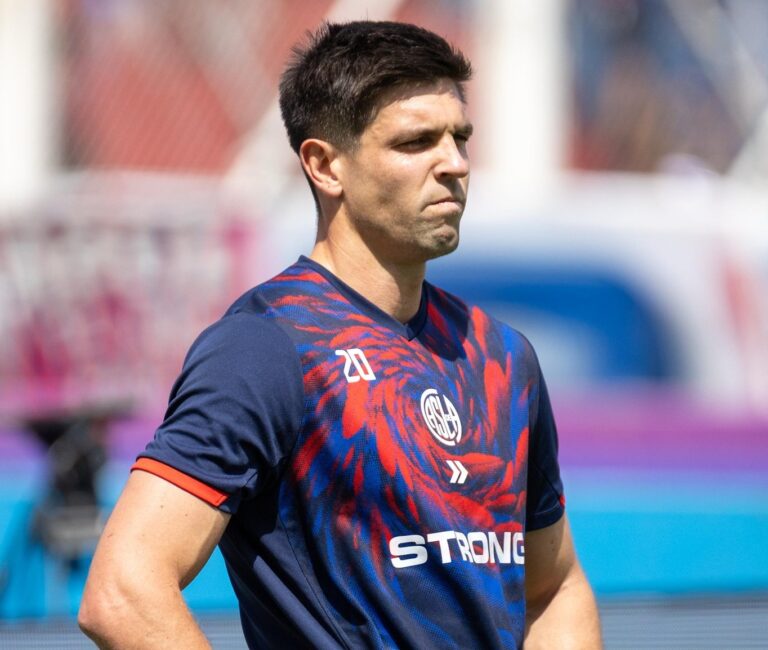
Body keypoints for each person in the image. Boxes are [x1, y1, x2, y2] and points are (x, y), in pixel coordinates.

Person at [78, 20, 602, 649]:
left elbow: (554, 587)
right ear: (325, 165)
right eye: (416, 142)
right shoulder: (266, 347)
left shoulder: (501, 355)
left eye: (459, 137)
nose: (455, 164)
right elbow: (123, 590)